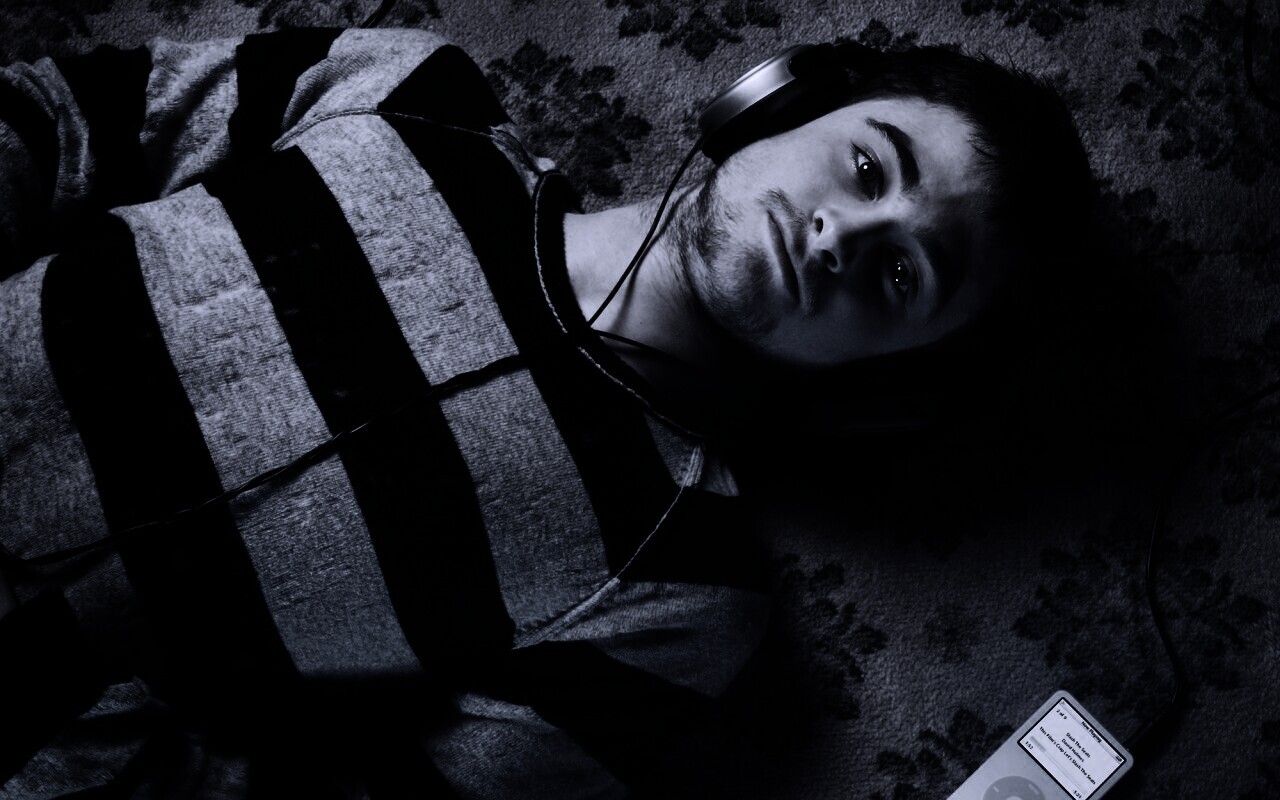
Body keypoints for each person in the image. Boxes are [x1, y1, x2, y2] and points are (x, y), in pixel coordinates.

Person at [0, 24, 1093, 799]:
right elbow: (57, 120)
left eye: (903, 274)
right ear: (777, 102)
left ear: (884, 379)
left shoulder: (682, 591)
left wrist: (64, 729)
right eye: (864, 166)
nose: (841, 236)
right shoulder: (406, 92)